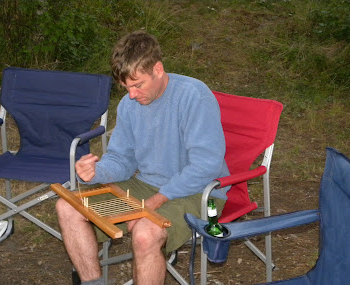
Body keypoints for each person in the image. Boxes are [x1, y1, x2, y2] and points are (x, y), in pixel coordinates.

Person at [56, 30, 231, 285]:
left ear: (158, 69)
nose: (133, 95)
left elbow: (206, 166)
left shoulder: (194, 96)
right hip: (147, 184)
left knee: (145, 234)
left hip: (203, 192)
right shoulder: (129, 104)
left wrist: (157, 201)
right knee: (68, 207)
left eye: (138, 85)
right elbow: (123, 159)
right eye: (126, 88)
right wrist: (98, 172)